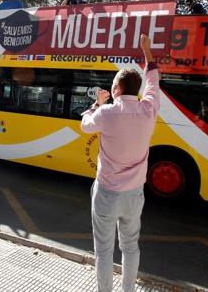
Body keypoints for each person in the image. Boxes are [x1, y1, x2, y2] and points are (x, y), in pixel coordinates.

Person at [80, 34, 159, 292]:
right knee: (130, 246)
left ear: (116, 89)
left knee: (103, 251)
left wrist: (96, 104)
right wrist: (147, 51)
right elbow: (153, 80)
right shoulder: (148, 109)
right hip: (134, 194)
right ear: (135, 90)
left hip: (106, 193)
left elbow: (84, 126)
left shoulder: (107, 112)